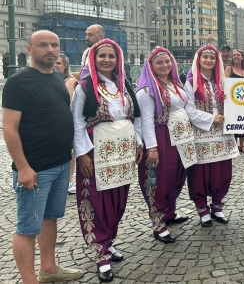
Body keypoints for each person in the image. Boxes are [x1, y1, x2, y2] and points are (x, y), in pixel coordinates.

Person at [3, 30, 84, 284]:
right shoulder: (19, 81)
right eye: (43, 45)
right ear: (29, 49)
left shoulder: (57, 78)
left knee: (50, 219)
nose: (50, 50)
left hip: (60, 164)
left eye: (54, 45)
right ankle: (29, 281)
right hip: (35, 168)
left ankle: (48, 268)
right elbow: (9, 129)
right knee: (27, 227)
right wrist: (24, 168)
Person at [72, 39, 143, 283]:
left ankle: (109, 242)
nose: (107, 60)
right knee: (97, 198)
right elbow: (77, 123)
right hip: (96, 150)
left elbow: (135, 117)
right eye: (102, 55)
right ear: (93, 58)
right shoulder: (85, 87)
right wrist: (82, 154)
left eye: (111, 56)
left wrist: (139, 143)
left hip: (121, 150)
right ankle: (100, 252)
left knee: (118, 198)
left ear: (118, 59)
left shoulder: (124, 85)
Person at [136, 47, 216, 243]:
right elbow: (146, 120)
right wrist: (152, 148)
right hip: (162, 138)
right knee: (160, 179)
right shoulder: (147, 90)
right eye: (159, 62)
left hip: (181, 138)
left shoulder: (175, 84)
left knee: (177, 176)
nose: (164, 65)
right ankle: (158, 222)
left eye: (167, 61)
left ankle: (169, 213)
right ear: (151, 66)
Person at [185, 45, 238, 227]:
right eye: (205, 57)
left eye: (212, 58)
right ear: (198, 59)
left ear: (217, 61)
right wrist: (211, 118)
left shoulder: (221, 82)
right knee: (200, 173)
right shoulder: (191, 82)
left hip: (222, 132)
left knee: (222, 171)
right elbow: (190, 111)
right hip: (202, 132)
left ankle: (217, 206)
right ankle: (202, 208)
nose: (208, 60)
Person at [54, 54, 78, 195]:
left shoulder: (69, 81)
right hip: (55, 121)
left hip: (67, 120)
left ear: (65, 66)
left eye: (58, 63)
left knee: (70, 152)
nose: (55, 65)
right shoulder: (52, 79)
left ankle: (68, 181)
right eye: (54, 63)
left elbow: (68, 103)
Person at [225, 49, 244, 152]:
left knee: (243, 122)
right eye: (234, 55)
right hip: (232, 99)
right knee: (234, 121)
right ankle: (234, 144)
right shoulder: (229, 69)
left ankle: (242, 145)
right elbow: (224, 83)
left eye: (238, 55)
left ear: (242, 57)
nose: (235, 56)